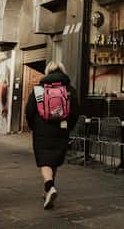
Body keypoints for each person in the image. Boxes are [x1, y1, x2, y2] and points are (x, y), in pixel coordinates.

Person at [25, 61, 79, 210]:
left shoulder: (39, 90)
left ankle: (49, 186)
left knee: (44, 160)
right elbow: (75, 112)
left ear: (47, 72)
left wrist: (33, 126)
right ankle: (48, 190)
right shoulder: (69, 90)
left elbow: (29, 111)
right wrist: (69, 127)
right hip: (61, 129)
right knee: (54, 159)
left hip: (42, 129)